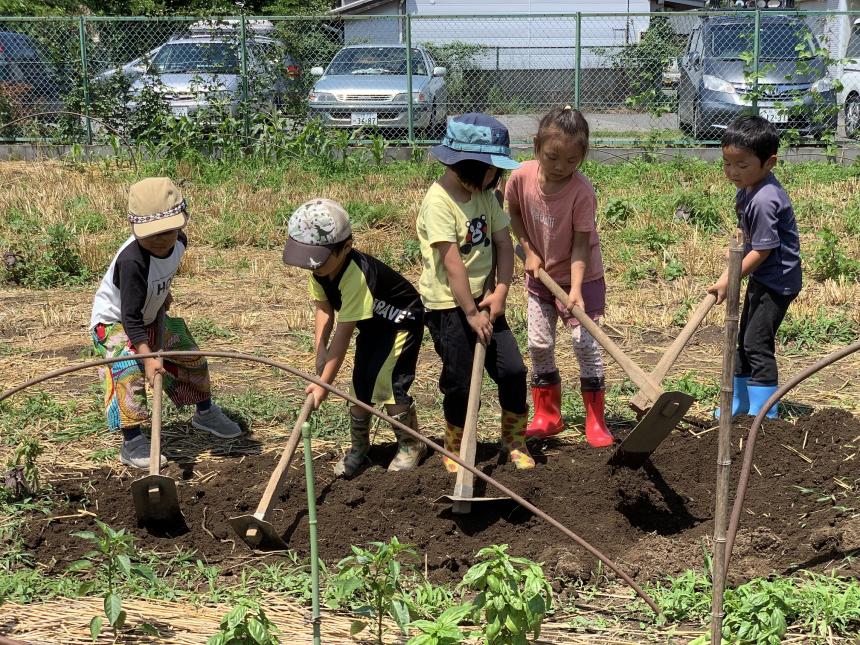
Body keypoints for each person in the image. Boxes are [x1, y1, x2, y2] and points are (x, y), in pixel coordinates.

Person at [89, 177, 241, 469]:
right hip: (116, 323)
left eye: (166, 233)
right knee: (127, 368)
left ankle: (205, 412)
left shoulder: (180, 244)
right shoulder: (132, 261)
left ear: (181, 225)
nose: (159, 240)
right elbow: (129, 316)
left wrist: (162, 294)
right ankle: (132, 440)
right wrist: (147, 358)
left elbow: (163, 272)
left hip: (150, 315)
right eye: (150, 235)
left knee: (190, 355)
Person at [417, 112, 534, 471]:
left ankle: (513, 439)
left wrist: (500, 293)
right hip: (449, 307)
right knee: (461, 381)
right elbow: (452, 264)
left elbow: (502, 242)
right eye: (492, 169)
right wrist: (469, 313)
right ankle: (457, 446)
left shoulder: (484, 195)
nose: (497, 177)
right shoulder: (438, 202)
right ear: (468, 165)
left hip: (485, 300)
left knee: (512, 370)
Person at [282, 198, 426, 477]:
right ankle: (359, 447)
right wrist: (319, 352)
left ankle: (411, 444)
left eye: (320, 259)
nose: (313, 267)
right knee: (360, 386)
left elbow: (344, 333)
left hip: (400, 321)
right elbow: (324, 309)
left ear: (346, 247)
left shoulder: (355, 276)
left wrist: (323, 385)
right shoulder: (320, 270)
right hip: (372, 325)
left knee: (387, 385)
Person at [506, 106, 613, 448]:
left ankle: (595, 420)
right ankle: (548, 415)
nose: (561, 167)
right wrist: (529, 250)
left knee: (585, 345)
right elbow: (514, 215)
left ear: (583, 156)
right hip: (541, 276)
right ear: (536, 145)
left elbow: (582, 246)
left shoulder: (582, 192)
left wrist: (577, 289)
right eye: (553, 157)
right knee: (539, 343)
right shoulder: (520, 177)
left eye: (571, 161)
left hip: (582, 279)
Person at [709, 115, 801, 419]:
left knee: (756, 342)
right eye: (727, 164)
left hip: (778, 281)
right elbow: (749, 237)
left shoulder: (764, 199)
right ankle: (740, 403)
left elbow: (763, 250)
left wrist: (728, 277)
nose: (733, 172)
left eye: (742, 165)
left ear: (769, 163)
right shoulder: (748, 189)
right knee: (743, 338)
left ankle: (765, 412)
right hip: (763, 276)